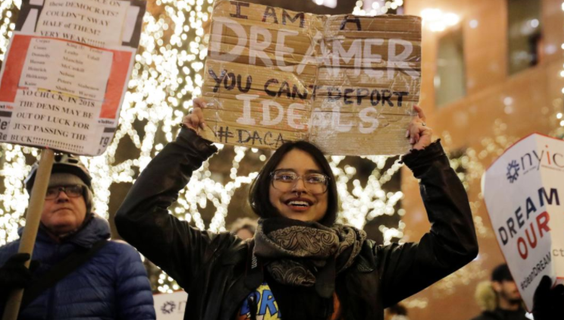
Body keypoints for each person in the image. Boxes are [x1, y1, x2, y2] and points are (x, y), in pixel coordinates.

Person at [115, 98, 479, 320]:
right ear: (265, 189)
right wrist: (190, 144)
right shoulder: (216, 260)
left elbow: (455, 244)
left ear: (329, 192)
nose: (299, 187)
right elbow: (137, 217)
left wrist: (428, 161)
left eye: (314, 178)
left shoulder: (367, 266)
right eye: (285, 176)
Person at [0, 154, 156, 319]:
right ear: (33, 204)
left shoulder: (120, 257)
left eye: (74, 189)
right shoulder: (7, 258)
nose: (62, 197)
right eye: (49, 190)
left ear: (87, 201)